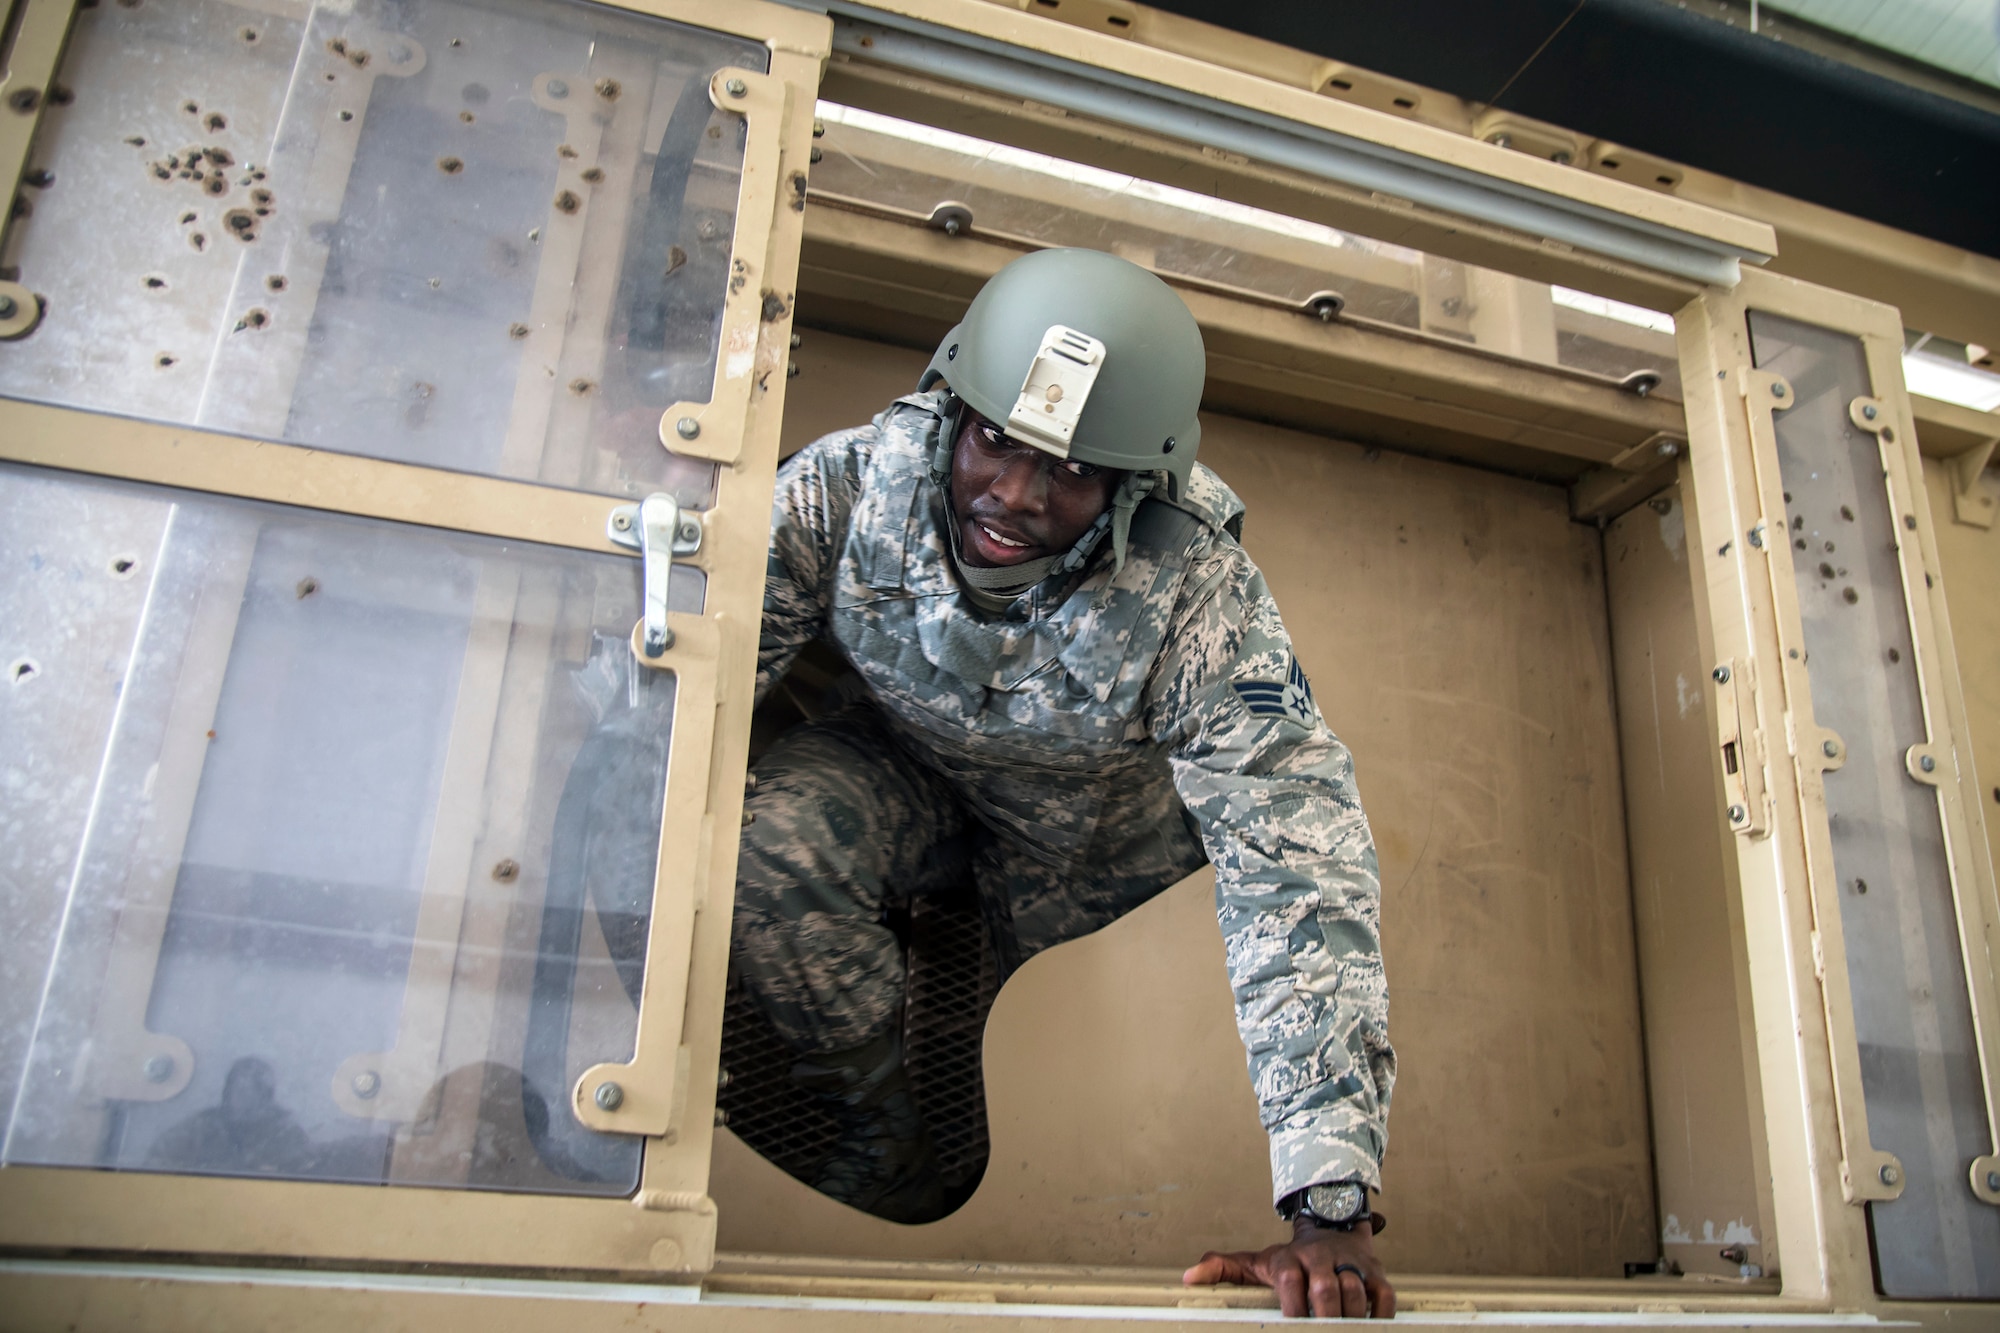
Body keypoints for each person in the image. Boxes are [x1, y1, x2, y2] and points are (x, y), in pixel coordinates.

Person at [732, 247, 1395, 1319]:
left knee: (1073, 1062)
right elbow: (681, 706)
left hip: (1086, 858)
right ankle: (879, 1135)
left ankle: (960, 978)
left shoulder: (1195, 595)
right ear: (953, 404)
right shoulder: (843, 489)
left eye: (1072, 472)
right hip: (895, 772)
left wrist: (1330, 1200)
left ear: (1133, 483)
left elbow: (1297, 866)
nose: (1015, 494)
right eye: (996, 439)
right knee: (770, 850)